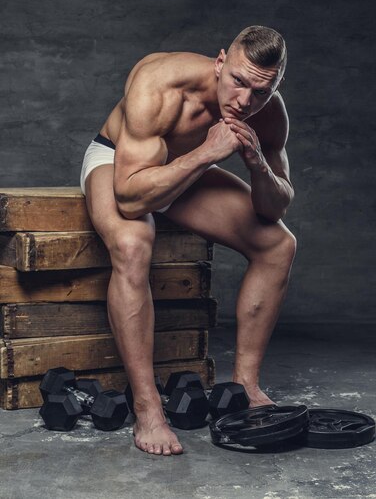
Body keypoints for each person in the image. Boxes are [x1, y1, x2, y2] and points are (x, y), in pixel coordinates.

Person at [80, 25, 296, 456]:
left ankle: (245, 386)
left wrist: (258, 168)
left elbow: (276, 206)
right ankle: (148, 408)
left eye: (261, 91)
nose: (245, 101)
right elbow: (129, 198)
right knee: (131, 243)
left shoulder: (268, 112)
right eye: (238, 81)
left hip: (186, 172)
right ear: (220, 62)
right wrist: (204, 154)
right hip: (121, 165)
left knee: (278, 245)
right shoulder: (160, 83)